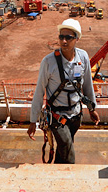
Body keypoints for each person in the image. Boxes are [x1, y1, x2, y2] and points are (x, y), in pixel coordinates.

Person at [27, 18, 100, 164]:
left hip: (75, 115)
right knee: (67, 148)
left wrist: (92, 108)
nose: (64, 41)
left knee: (64, 148)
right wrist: (32, 121)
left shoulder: (83, 57)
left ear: (77, 39)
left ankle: (57, 171)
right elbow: (39, 91)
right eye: (61, 37)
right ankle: (70, 178)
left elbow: (87, 85)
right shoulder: (48, 62)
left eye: (68, 37)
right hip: (57, 116)